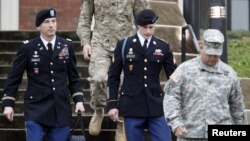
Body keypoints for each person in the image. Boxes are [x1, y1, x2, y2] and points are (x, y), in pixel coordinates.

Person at [1, 8, 85, 141]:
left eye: (53, 21)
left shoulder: (66, 46)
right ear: (38, 26)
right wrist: (8, 103)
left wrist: (79, 101)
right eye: (46, 22)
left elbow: (74, 77)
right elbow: (13, 77)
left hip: (60, 109)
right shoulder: (28, 48)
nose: (51, 25)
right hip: (36, 108)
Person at [76, 0, 148, 139]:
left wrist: (142, 44)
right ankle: (98, 109)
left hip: (125, 43)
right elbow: (84, 19)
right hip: (100, 42)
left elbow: (143, 17)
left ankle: (121, 121)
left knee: (124, 82)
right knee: (98, 78)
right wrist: (85, 42)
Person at [163, 29, 247, 141]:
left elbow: (237, 106)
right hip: (190, 134)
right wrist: (175, 122)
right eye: (209, 54)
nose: (212, 58)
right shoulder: (184, 70)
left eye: (216, 55)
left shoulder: (229, 74)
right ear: (202, 48)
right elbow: (171, 97)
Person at [107, 9, 177, 141]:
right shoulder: (124, 45)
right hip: (132, 104)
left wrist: (175, 102)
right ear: (138, 26)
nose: (148, 31)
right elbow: (113, 77)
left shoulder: (162, 47)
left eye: (151, 27)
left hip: (156, 105)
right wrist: (112, 104)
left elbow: (174, 77)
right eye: (145, 27)